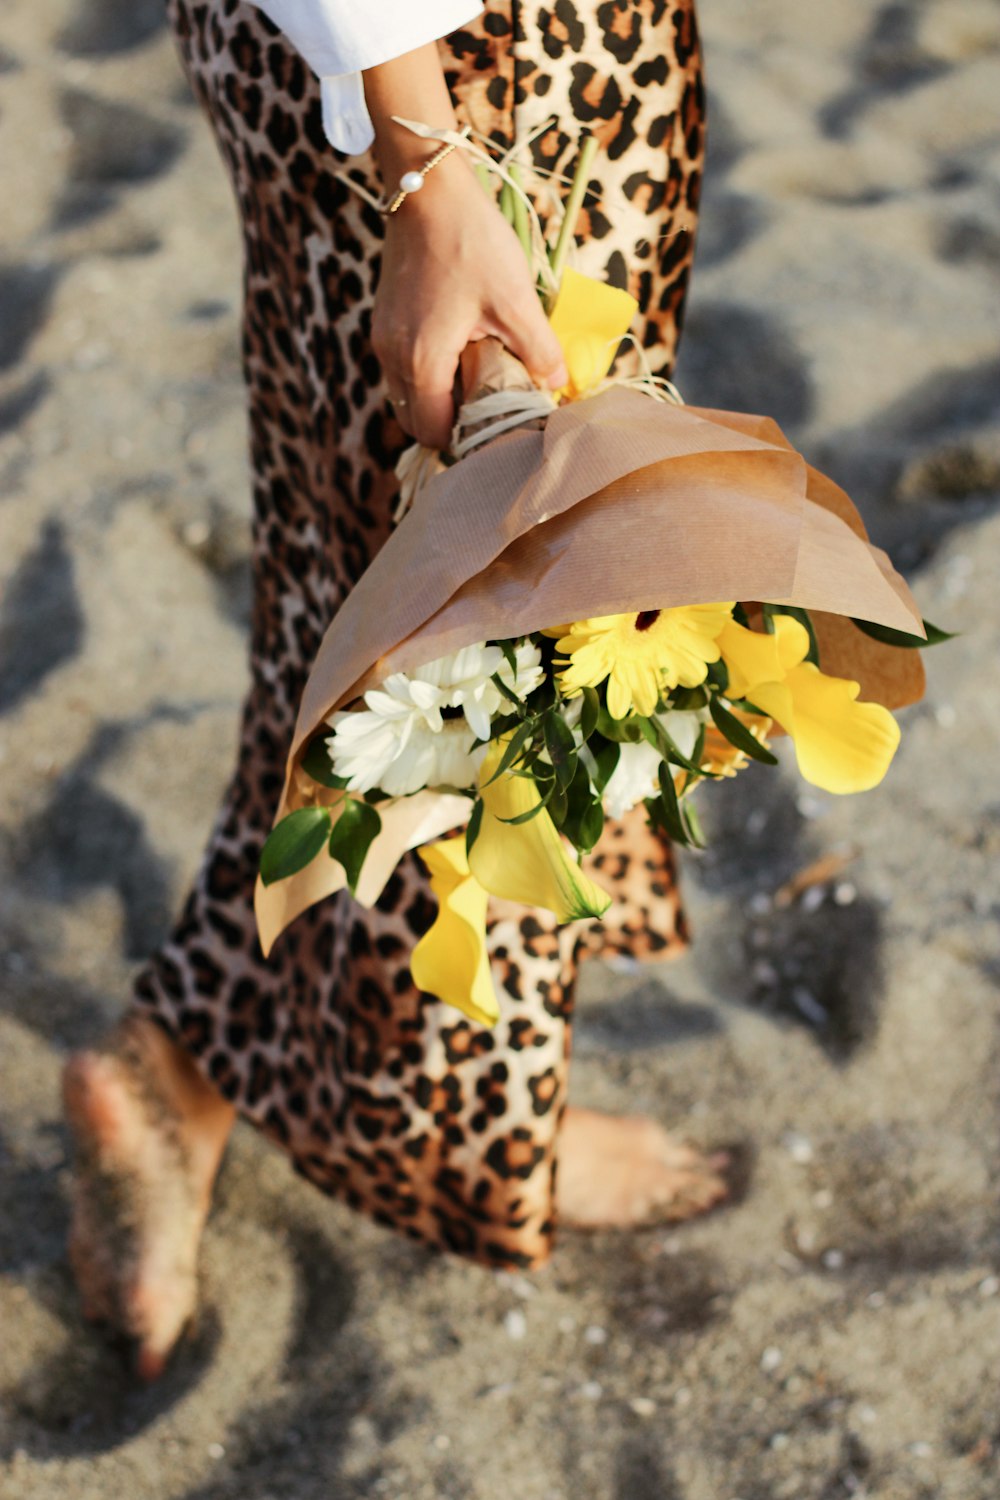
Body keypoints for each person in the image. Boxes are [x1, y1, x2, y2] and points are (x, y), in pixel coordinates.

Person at [62, 0, 728, 1383]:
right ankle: (448, 1122)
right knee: (492, 625)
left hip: (386, 68)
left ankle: (193, 1047)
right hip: (478, 75)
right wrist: (425, 161)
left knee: (357, 566)